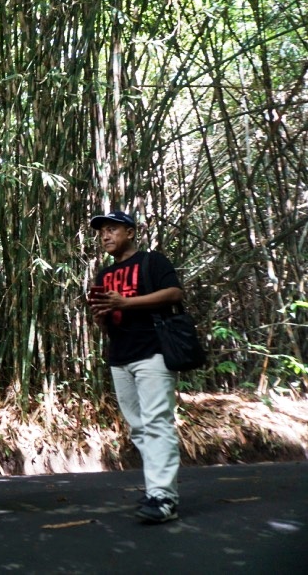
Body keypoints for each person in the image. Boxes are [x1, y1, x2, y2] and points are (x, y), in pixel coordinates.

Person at [88, 210, 183, 524]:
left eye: (112, 229)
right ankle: (157, 489)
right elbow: (108, 320)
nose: (105, 236)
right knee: (139, 428)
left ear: (130, 232)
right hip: (120, 355)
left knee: (157, 423)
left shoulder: (152, 262)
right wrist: (102, 318)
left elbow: (174, 293)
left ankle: (164, 497)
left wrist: (126, 303)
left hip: (153, 352)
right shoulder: (103, 275)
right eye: (101, 231)